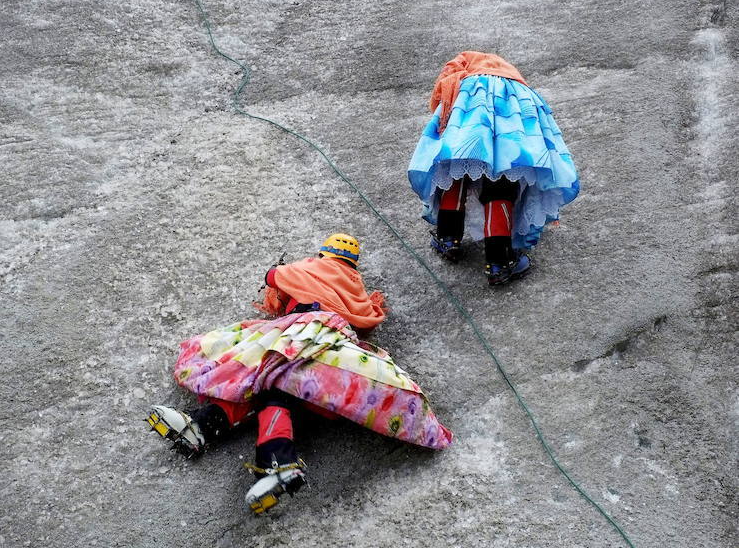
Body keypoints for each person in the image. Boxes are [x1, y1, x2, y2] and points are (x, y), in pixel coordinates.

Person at [147, 234, 452, 514]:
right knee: (274, 390)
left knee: (258, 375)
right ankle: (267, 458)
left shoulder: (312, 268)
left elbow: (273, 277)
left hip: (301, 331)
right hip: (332, 356)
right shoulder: (355, 285)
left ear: (324, 254)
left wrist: (282, 274)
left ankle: (205, 429)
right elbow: (368, 319)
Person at [407, 51, 580, 285]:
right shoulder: (515, 83)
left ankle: (448, 238)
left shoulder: (466, 68)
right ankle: (499, 261)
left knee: (454, 170)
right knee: (501, 181)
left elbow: (445, 84)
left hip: (470, 110)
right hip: (513, 115)